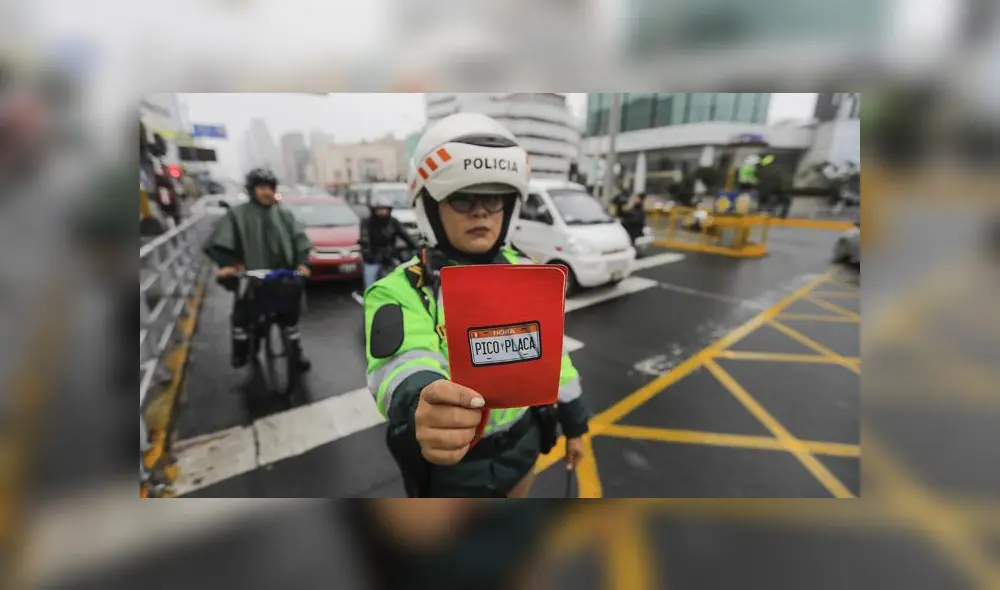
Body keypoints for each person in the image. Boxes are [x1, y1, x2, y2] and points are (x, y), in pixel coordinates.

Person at [364, 113, 590, 498]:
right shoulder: (398, 289)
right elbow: (404, 365)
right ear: (430, 206)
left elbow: (556, 361)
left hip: (521, 451)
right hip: (451, 470)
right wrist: (423, 398)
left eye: (493, 199)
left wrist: (576, 425)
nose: (481, 212)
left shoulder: (528, 274)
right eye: (462, 198)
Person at [203, 167, 314, 371]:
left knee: (291, 319)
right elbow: (220, 243)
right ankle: (243, 352)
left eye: (270, 188)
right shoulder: (237, 214)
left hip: (282, 277)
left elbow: (300, 241)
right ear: (252, 190)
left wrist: (302, 263)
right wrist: (227, 265)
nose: (267, 192)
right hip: (251, 278)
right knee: (242, 317)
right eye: (262, 188)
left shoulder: (284, 215)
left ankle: (296, 354)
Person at [360, 191, 420, 290]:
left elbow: (405, 235)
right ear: (374, 210)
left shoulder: (393, 222)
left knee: (398, 282)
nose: (382, 211)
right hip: (373, 259)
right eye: (379, 209)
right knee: (370, 285)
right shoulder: (367, 223)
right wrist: (369, 256)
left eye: (385, 209)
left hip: (390, 258)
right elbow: (365, 240)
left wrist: (417, 248)